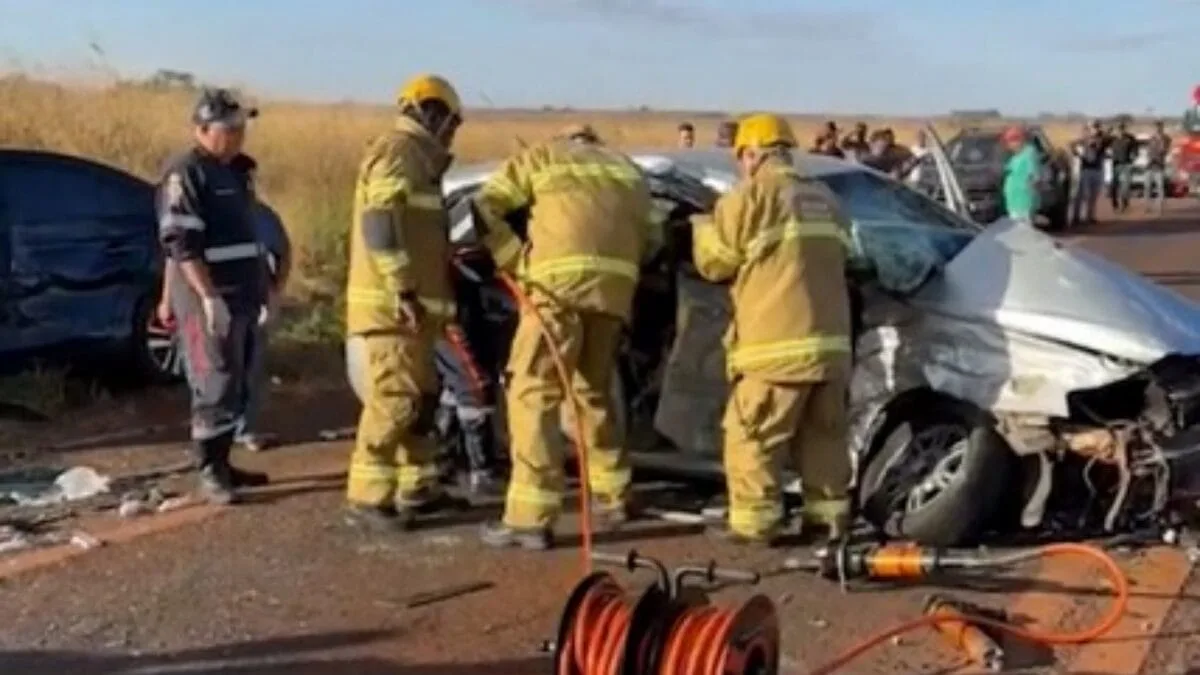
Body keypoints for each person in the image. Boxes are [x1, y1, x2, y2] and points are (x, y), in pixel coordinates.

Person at [470, 123, 657, 550]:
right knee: (592, 390)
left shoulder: (543, 156)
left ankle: (529, 517)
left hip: (555, 289)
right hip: (611, 295)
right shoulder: (628, 171)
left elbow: (483, 208)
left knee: (533, 391)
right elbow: (653, 237)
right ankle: (615, 492)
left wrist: (512, 258)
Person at [691, 113, 854, 547]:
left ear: (749, 154)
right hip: (832, 347)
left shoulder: (747, 198)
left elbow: (714, 264)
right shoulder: (827, 199)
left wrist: (702, 228)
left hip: (774, 347)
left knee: (752, 436)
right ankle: (828, 521)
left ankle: (755, 525)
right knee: (824, 439)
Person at [343, 74, 468, 533]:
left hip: (415, 313)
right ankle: (367, 498)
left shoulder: (421, 160)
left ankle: (420, 488)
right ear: (431, 112)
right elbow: (379, 221)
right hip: (392, 309)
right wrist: (403, 288)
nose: (453, 132)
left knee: (421, 402)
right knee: (395, 402)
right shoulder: (399, 151)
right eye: (451, 122)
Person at [155, 88, 271, 504]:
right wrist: (204, 297)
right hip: (208, 295)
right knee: (213, 381)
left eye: (241, 128)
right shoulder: (185, 173)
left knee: (236, 380)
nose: (239, 135)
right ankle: (209, 471)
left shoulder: (236, 172)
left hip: (242, 293)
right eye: (229, 128)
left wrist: (262, 291)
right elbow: (180, 245)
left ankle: (224, 463)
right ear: (202, 129)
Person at [156, 154, 290, 454]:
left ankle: (236, 439)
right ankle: (211, 463)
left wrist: (272, 292)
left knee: (245, 370)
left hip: (247, 299)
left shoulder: (258, 216)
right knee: (210, 379)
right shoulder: (197, 200)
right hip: (205, 301)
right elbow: (178, 255)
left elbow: (280, 255)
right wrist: (174, 299)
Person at [433, 244, 507, 498]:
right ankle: (482, 472)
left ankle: (445, 461)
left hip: (469, 304)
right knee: (474, 386)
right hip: (456, 308)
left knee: (457, 387)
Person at [1001, 126, 1040, 225]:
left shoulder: (1029, 153)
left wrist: (1030, 193)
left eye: (1010, 142)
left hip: (1023, 202)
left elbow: (1034, 176)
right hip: (1013, 202)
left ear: (1019, 140)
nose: (1009, 146)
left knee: (1023, 232)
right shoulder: (1015, 156)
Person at [1072, 121, 1107, 225]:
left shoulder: (1101, 139)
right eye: (1094, 127)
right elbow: (1072, 144)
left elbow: (1105, 141)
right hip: (1086, 169)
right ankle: (1076, 216)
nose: (1096, 129)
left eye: (1097, 127)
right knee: (1083, 194)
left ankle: (1090, 216)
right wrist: (1079, 155)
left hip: (1097, 169)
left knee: (1094, 195)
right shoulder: (1084, 139)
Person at [1109, 121, 1138, 213]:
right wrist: (1108, 131)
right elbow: (1102, 143)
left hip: (1126, 164)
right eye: (1119, 129)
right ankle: (1115, 205)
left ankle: (1125, 204)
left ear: (1124, 129)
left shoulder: (1130, 138)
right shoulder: (1112, 139)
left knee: (1125, 186)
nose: (1120, 130)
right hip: (1116, 164)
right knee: (1114, 186)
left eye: (1122, 128)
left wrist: (1134, 156)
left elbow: (1135, 148)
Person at [1144, 120, 1172, 216]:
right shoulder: (1151, 138)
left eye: (1159, 127)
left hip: (1159, 165)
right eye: (1156, 127)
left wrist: (1161, 141)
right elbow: (1148, 150)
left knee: (1160, 187)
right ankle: (1147, 206)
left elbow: (1164, 150)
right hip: (1150, 165)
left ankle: (1160, 207)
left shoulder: (1166, 138)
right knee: (1147, 186)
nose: (1157, 129)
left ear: (1162, 127)